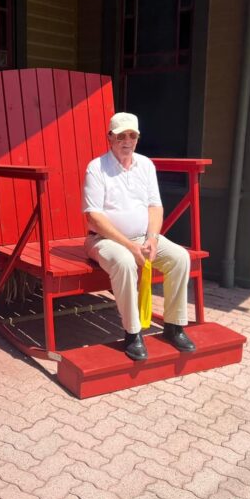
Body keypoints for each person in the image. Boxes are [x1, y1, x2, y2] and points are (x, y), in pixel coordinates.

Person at [82, 112, 196, 361]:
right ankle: (133, 332)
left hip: (143, 236)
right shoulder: (96, 167)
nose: (127, 140)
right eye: (121, 135)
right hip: (103, 240)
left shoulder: (145, 165)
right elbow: (94, 217)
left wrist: (152, 238)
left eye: (132, 135)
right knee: (124, 263)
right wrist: (130, 247)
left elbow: (155, 206)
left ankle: (174, 326)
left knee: (180, 258)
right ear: (109, 138)